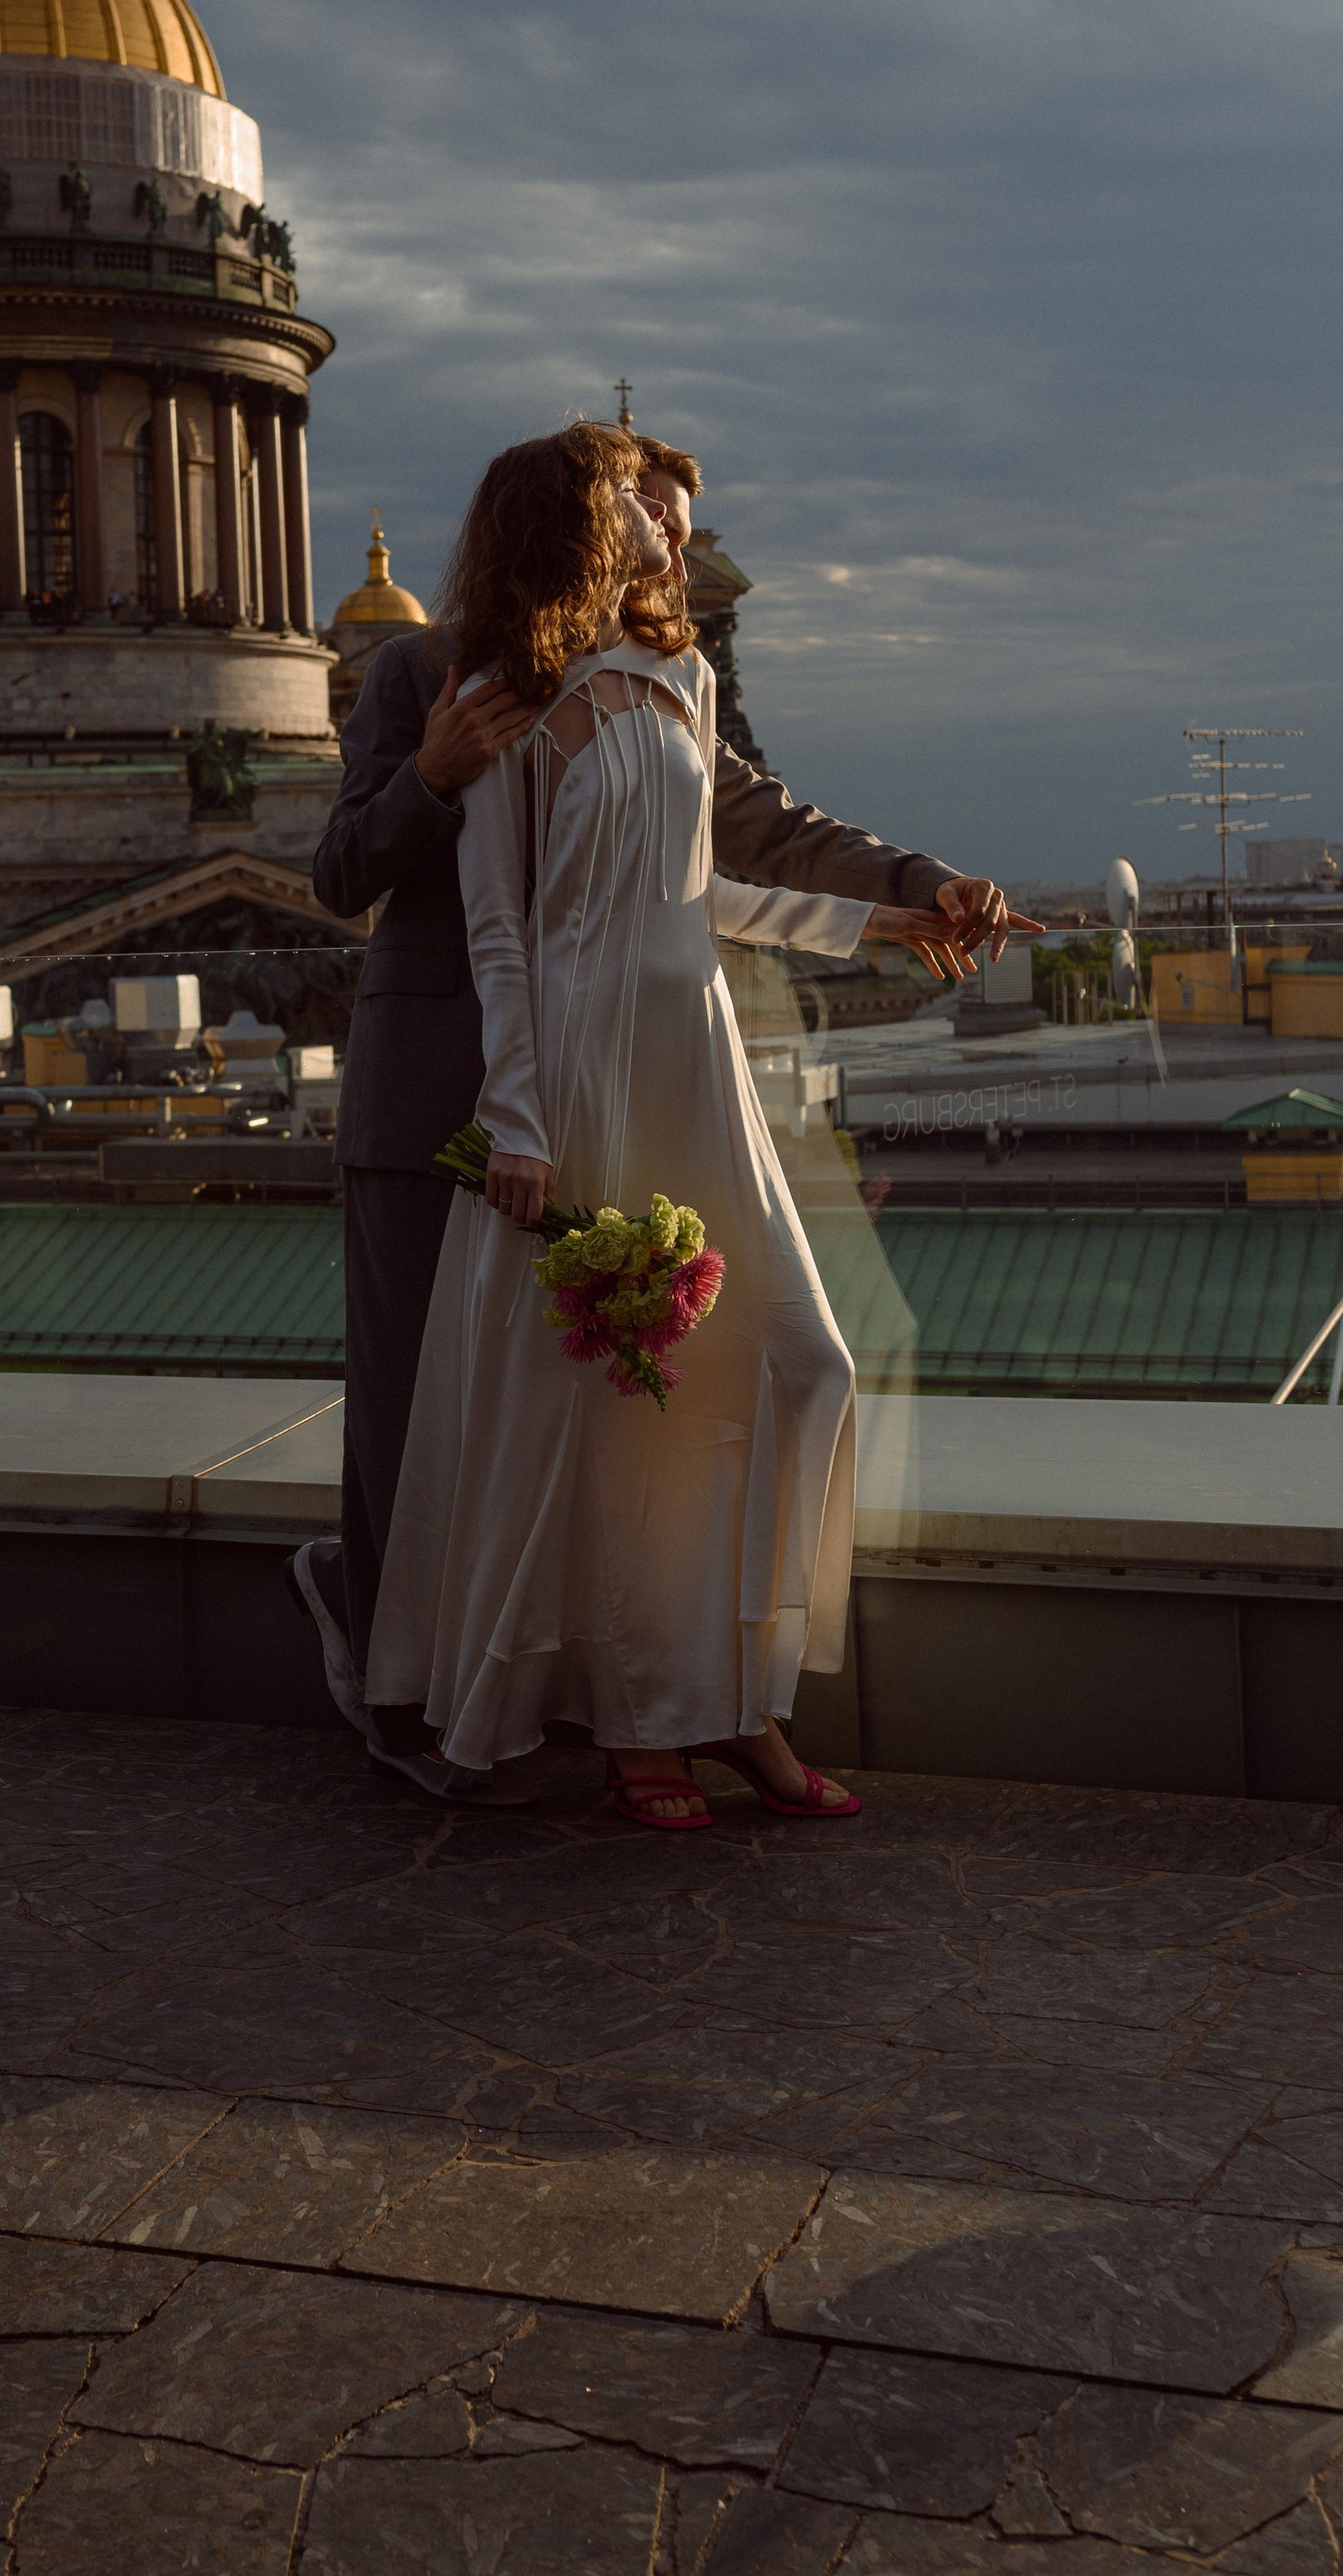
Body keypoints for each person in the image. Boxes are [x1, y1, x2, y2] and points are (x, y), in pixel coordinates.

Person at [297, 423, 1030, 1802]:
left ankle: (625, 1691)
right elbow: (342, 872)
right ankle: (395, 1686)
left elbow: (755, 841)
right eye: (652, 508)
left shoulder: (658, 681)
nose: (677, 539)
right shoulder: (418, 669)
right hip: (435, 1101)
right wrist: (434, 769)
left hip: (626, 1082)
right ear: (587, 514)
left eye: (686, 517)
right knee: (419, 1422)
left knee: (641, 1401)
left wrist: (922, 885)